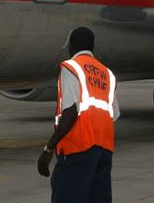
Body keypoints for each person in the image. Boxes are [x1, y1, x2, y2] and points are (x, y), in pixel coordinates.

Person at [37, 27, 120, 203]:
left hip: (77, 150)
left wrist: (48, 148)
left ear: (71, 47)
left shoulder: (71, 67)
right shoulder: (107, 74)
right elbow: (113, 115)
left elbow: (71, 111)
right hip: (104, 151)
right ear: (92, 47)